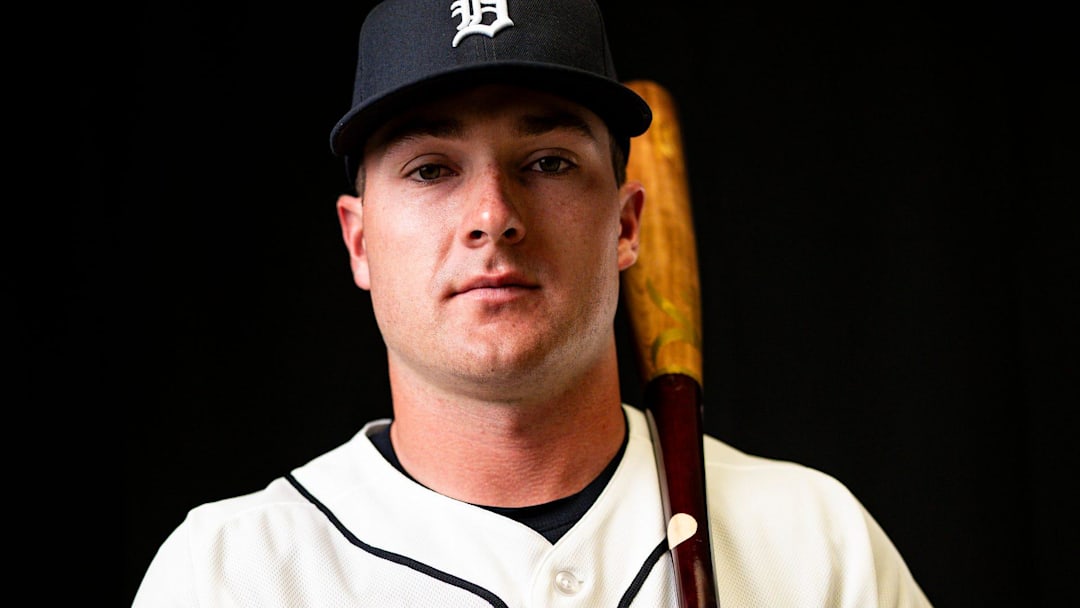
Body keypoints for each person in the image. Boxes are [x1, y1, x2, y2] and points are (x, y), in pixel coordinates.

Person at [132, 0, 933, 606]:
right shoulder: (230, 573)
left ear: (626, 226)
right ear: (360, 241)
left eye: (547, 161)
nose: (493, 214)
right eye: (430, 169)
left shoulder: (817, 544)